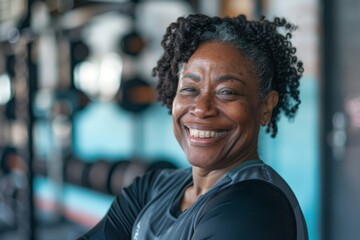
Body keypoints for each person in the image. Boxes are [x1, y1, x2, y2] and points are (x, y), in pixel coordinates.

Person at [78, 13, 308, 240]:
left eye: (226, 92)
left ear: (266, 107)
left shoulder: (253, 209)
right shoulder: (150, 189)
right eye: (189, 89)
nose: (201, 108)